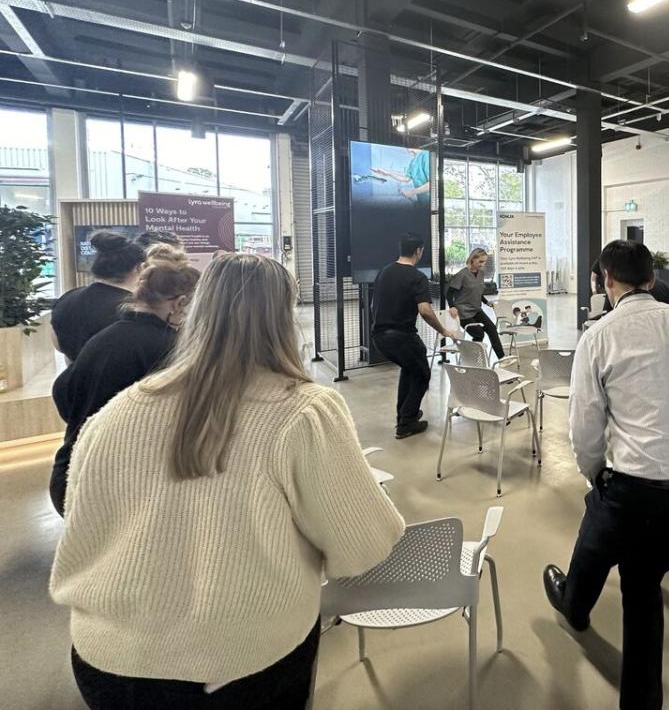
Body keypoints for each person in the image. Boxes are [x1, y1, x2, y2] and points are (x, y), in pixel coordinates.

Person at [50, 254, 405, 709]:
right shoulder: (303, 412)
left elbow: (79, 515)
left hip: (107, 661)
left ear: (195, 309)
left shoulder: (117, 412)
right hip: (240, 663)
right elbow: (362, 546)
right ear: (284, 317)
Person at [543, 240, 669, 710]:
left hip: (640, 497)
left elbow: (584, 428)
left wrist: (596, 476)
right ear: (652, 280)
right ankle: (574, 601)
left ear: (606, 281)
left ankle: (579, 613)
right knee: (623, 554)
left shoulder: (599, 336)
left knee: (629, 567)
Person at [48, 260, 200, 516]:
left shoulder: (103, 339)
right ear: (180, 303)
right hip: (116, 488)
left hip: (69, 475)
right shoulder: (171, 350)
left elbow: (62, 393)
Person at [372, 232, 456, 438]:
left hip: (380, 337)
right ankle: (406, 423)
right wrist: (443, 330)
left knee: (410, 370)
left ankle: (405, 414)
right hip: (403, 337)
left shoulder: (384, 272)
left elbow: (374, 304)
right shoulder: (417, 277)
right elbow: (426, 310)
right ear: (418, 251)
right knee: (422, 375)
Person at [52, 231, 146, 363]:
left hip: (75, 378)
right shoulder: (136, 308)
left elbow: (58, 346)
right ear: (139, 268)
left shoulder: (66, 299)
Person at [446, 248, 506, 360]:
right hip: (463, 312)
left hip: (476, 309)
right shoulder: (462, 275)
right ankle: (472, 357)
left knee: (492, 328)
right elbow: (449, 294)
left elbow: (478, 291)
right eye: (480, 262)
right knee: (479, 333)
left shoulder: (481, 274)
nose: (482, 265)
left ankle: (501, 358)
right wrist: (452, 307)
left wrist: (486, 302)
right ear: (473, 259)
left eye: (484, 262)